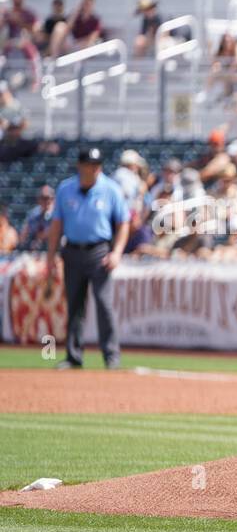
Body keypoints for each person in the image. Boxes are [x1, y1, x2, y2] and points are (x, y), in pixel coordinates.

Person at [43, 148, 130, 369]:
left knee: (104, 303)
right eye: (90, 164)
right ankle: (74, 357)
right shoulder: (65, 189)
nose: (94, 168)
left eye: (97, 164)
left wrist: (117, 252)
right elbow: (56, 226)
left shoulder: (110, 189)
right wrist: (50, 256)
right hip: (71, 251)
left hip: (99, 252)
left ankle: (111, 356)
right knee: (74, 305)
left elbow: (123, 223)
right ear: (80, 166)